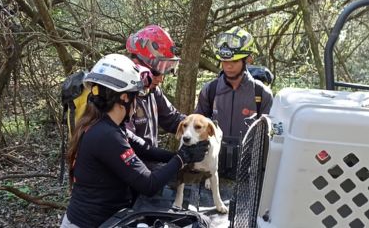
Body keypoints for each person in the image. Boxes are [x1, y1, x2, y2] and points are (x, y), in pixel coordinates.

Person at [61, 54, 209, 228]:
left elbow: (144, 148)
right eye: (136, 96)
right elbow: (148, 184)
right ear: (125, 98)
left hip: (106, 219)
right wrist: (182, 158)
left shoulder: (107, 125)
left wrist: (181, 155)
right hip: (90, 223)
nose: (138, 102)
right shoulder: (106, 135)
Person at [195, 26, 273, 180]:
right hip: (211, 172)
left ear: (248, 59)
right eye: (224, 61)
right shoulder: (210, 90)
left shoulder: (262, 94)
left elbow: (268, 141)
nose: (228, 66)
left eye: (234, 61)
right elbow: (195, 129)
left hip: (249, 176)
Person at [125, 25, 185, 148]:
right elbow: (130, 145)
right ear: (137, 64)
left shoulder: (151, 90)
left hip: (150, 163)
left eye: (165, 69)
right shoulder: (121, 96)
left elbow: (173, 120)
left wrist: (199, 125)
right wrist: (176, 160)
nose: (161, 78)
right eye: (157, 70)